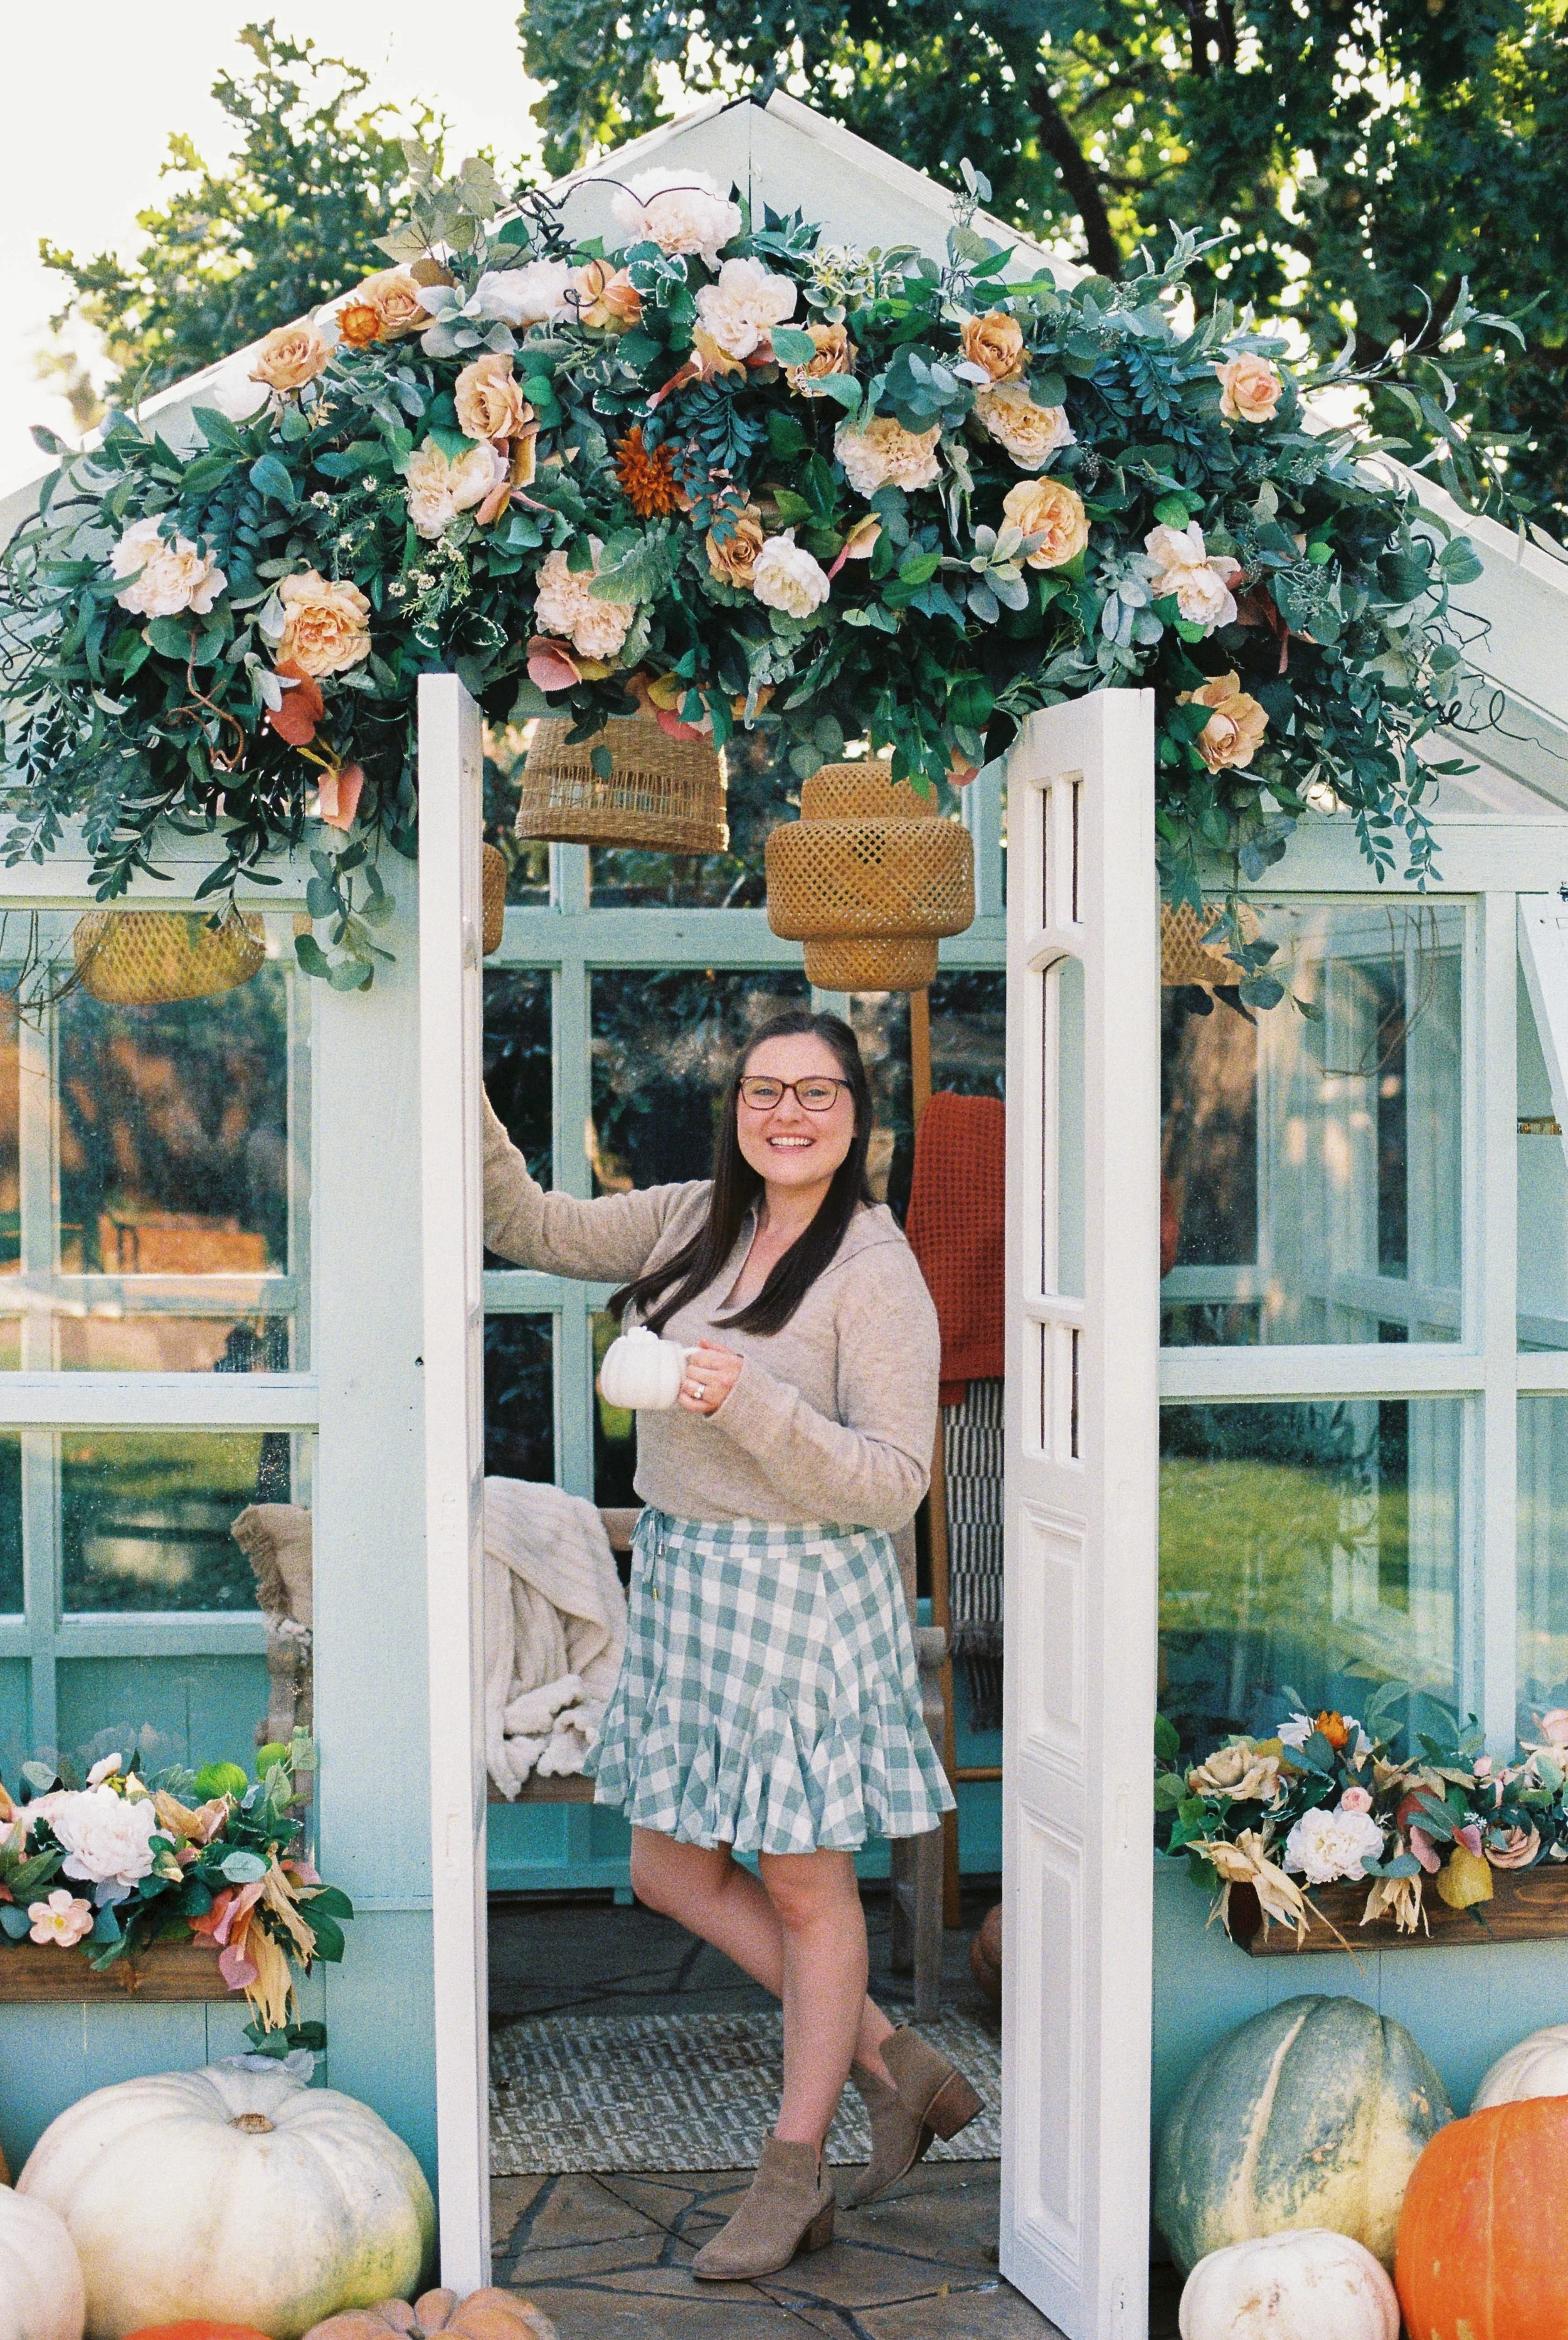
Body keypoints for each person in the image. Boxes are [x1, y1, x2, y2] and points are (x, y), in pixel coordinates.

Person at [483, 1007, 982, 2279]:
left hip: (807, 1591)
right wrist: (446, 1076)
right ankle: (891, 2058)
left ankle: (790, 2169)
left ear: (856, 1114)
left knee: (806, 1882)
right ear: (739, 1105)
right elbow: (527, 1223)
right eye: (766, 1091)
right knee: (665, 1866)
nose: (787, 1115)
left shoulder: (875, 1270)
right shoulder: (692, 1215)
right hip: (693, 1579)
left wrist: (747, 1396)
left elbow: (891, 1483)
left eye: (816, 1094)